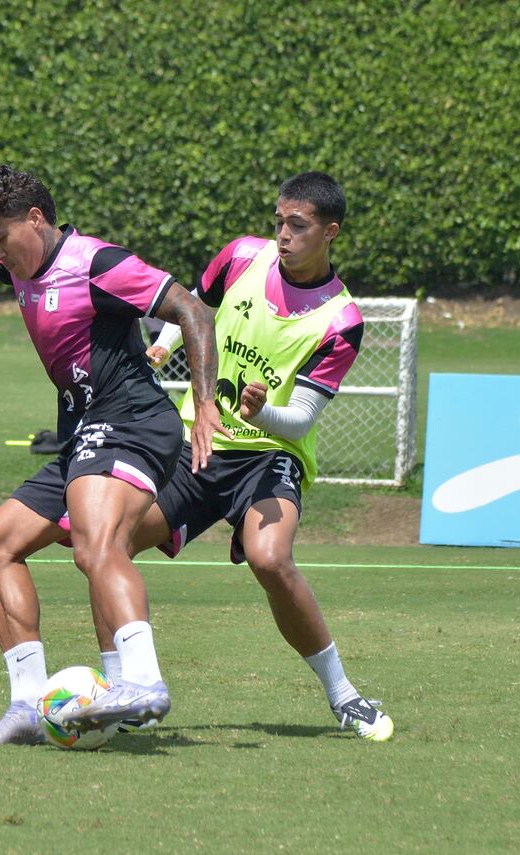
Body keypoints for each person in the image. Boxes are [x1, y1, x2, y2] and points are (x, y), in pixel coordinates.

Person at [0, 154, 227, 743]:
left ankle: (145, 682)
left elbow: (192, 311)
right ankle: (29, 705)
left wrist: (205, 403)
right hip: (83, 433)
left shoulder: (96, 263)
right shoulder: (17, 264)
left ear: (36, 219)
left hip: (132, 421)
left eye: (1, 238)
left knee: (97, 543)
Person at [125, 171, 394, 741]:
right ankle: (124, 688)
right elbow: (194, 310)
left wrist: (258, 412)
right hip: (203, 442)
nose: (283, 235)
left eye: (298, 225)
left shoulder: (341, 321)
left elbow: (297, 419)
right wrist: (162, 345)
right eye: (279, 222)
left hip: (271, 454)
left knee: (271, 560)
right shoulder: (240, 257)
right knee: (109, 544)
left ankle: (344, 696)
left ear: (330, 232)